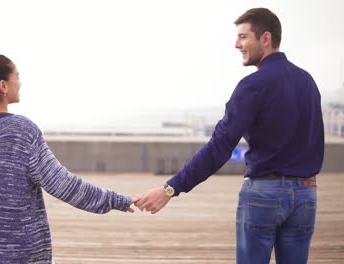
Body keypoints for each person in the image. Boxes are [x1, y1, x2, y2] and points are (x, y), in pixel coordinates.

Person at [135, 8, 324, 264]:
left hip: (264, 195)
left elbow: (219, 147)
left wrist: (171, 188)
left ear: (265, 39)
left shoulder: (253, 85)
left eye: (243, 37)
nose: (237, 44)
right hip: (306, 194)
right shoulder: (308, 82)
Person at [0, 55, 136, 264]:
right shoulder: (22, 131)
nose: (20, 83)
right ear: (3, 86)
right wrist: (115, 200)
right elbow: (64, 184)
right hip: (15, 254)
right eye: (17, 77)